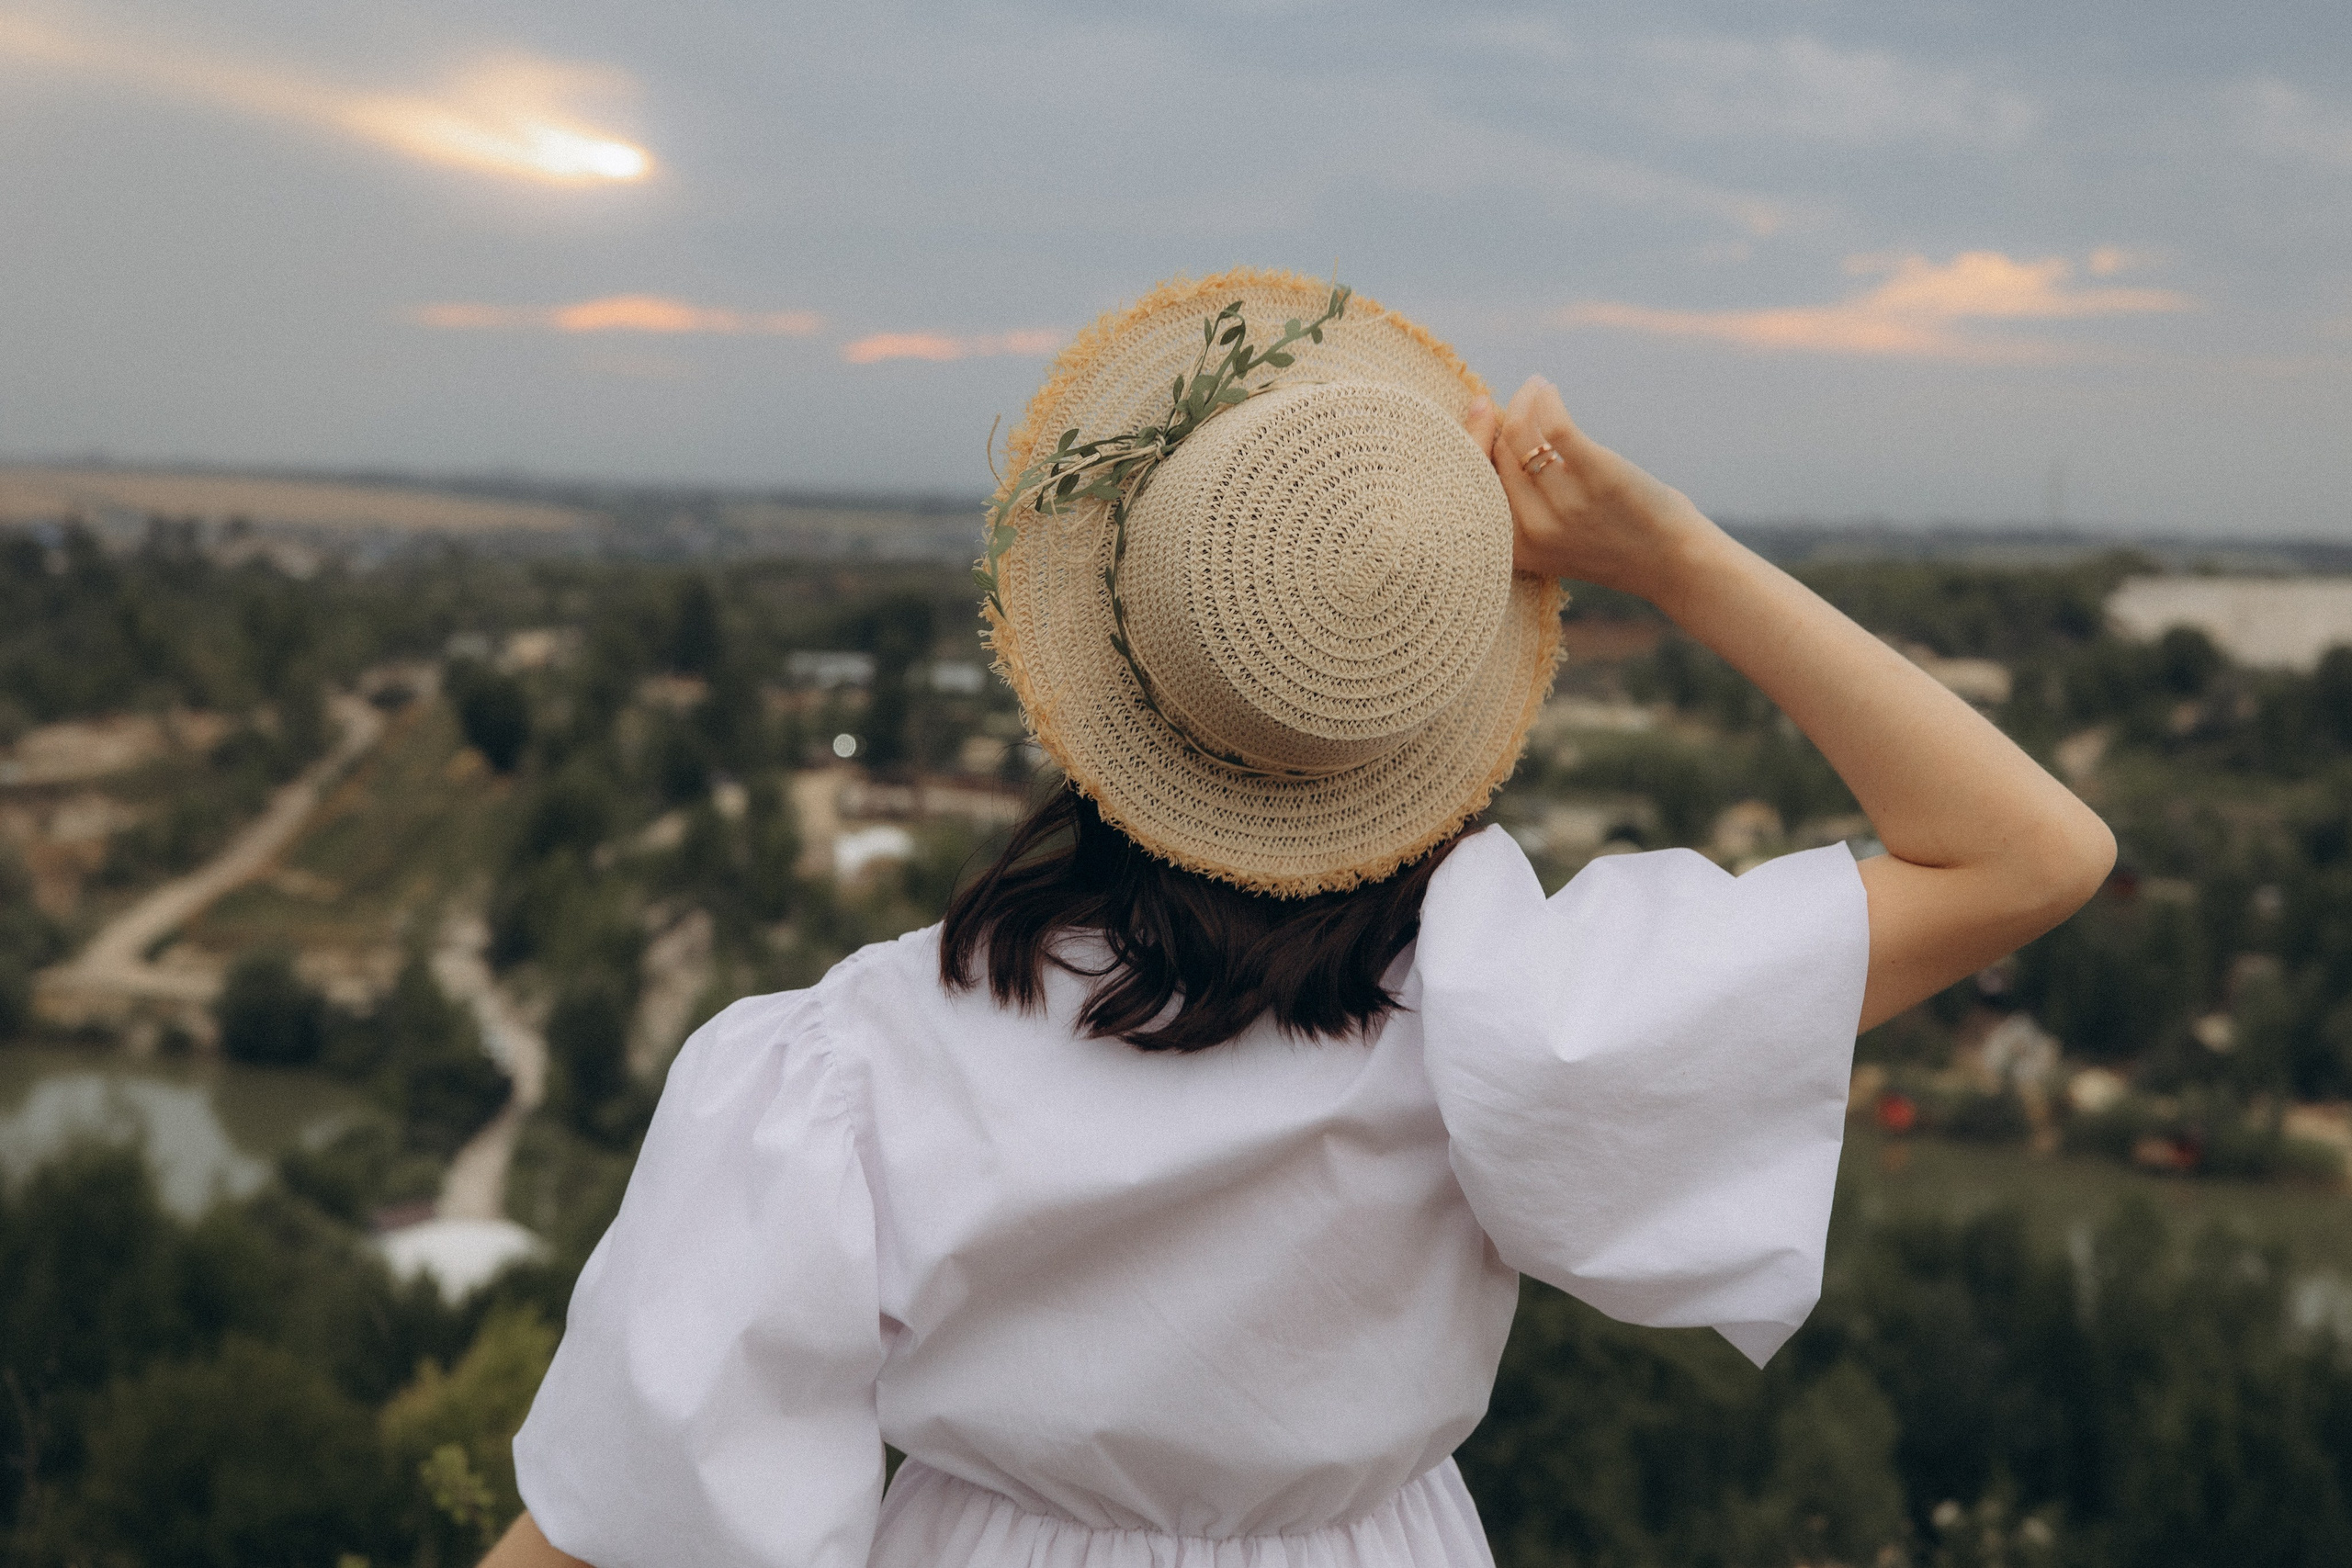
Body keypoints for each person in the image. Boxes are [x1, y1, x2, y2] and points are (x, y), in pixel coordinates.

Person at [485, 269, 2112, 1568]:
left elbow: (623, 1524)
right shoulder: (1515, 1015)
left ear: (1108, 662)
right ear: (1441, 711)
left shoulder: (858, 1063)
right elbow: (2031, 855)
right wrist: (1674, 559)